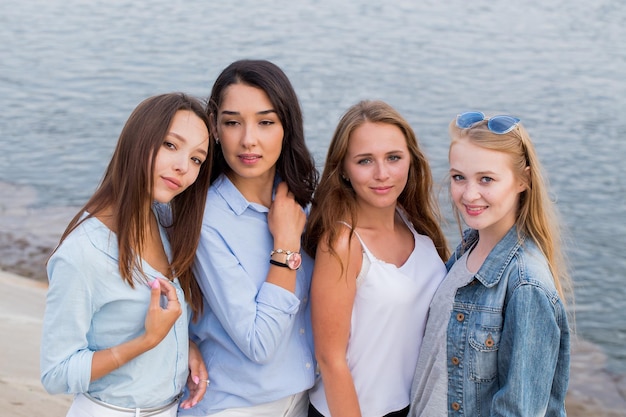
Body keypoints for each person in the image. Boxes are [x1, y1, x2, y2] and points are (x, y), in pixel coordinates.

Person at [40, 92, 212, 417]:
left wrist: (182, 347)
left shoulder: (163, 221)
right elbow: (56, 374)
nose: (183, 167)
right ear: (138, 141)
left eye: (196, 159)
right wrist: (148, 341)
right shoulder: (83, 253)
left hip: (170, 408)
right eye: (170, 145)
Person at [409, 111, 571, 416]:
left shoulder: (526, 284)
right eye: (459, 177)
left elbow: (519, 410)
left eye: (486, 179)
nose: (469, 194)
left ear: (523, 179)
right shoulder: (469, 249)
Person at [180, 59, 318, 417]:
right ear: (214, 127)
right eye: (232, 122)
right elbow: (259, 344)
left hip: (304, 401)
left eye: (266, 122)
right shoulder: (206, 219)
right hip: (233, 407)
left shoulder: (304, 204)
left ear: (286, 126)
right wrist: (285, 247)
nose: (248, 140)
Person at [302, 100, 450, 417]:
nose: (382, 174)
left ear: (411, 159)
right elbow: (330, 359)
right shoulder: (342, 243)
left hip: (414, 406)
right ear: (343, 168)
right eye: (365, 160)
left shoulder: (416, 225)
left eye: (393, 158)